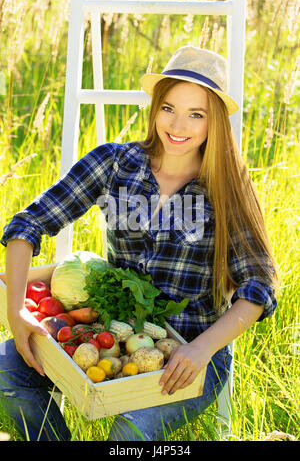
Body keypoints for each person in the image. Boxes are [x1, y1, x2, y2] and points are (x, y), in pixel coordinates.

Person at [0, 46, 279, 441]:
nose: (178, 124)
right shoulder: (115, 164)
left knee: (129, 433)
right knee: (4, 372)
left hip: (190, 352)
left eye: (196, 114)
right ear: (155, 108)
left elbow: (260, 285)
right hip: (111, 334)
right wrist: (15, 311)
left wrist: (202, 350)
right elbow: (27, 224)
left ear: (213, 122)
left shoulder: (229, 186)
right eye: (169, 108)